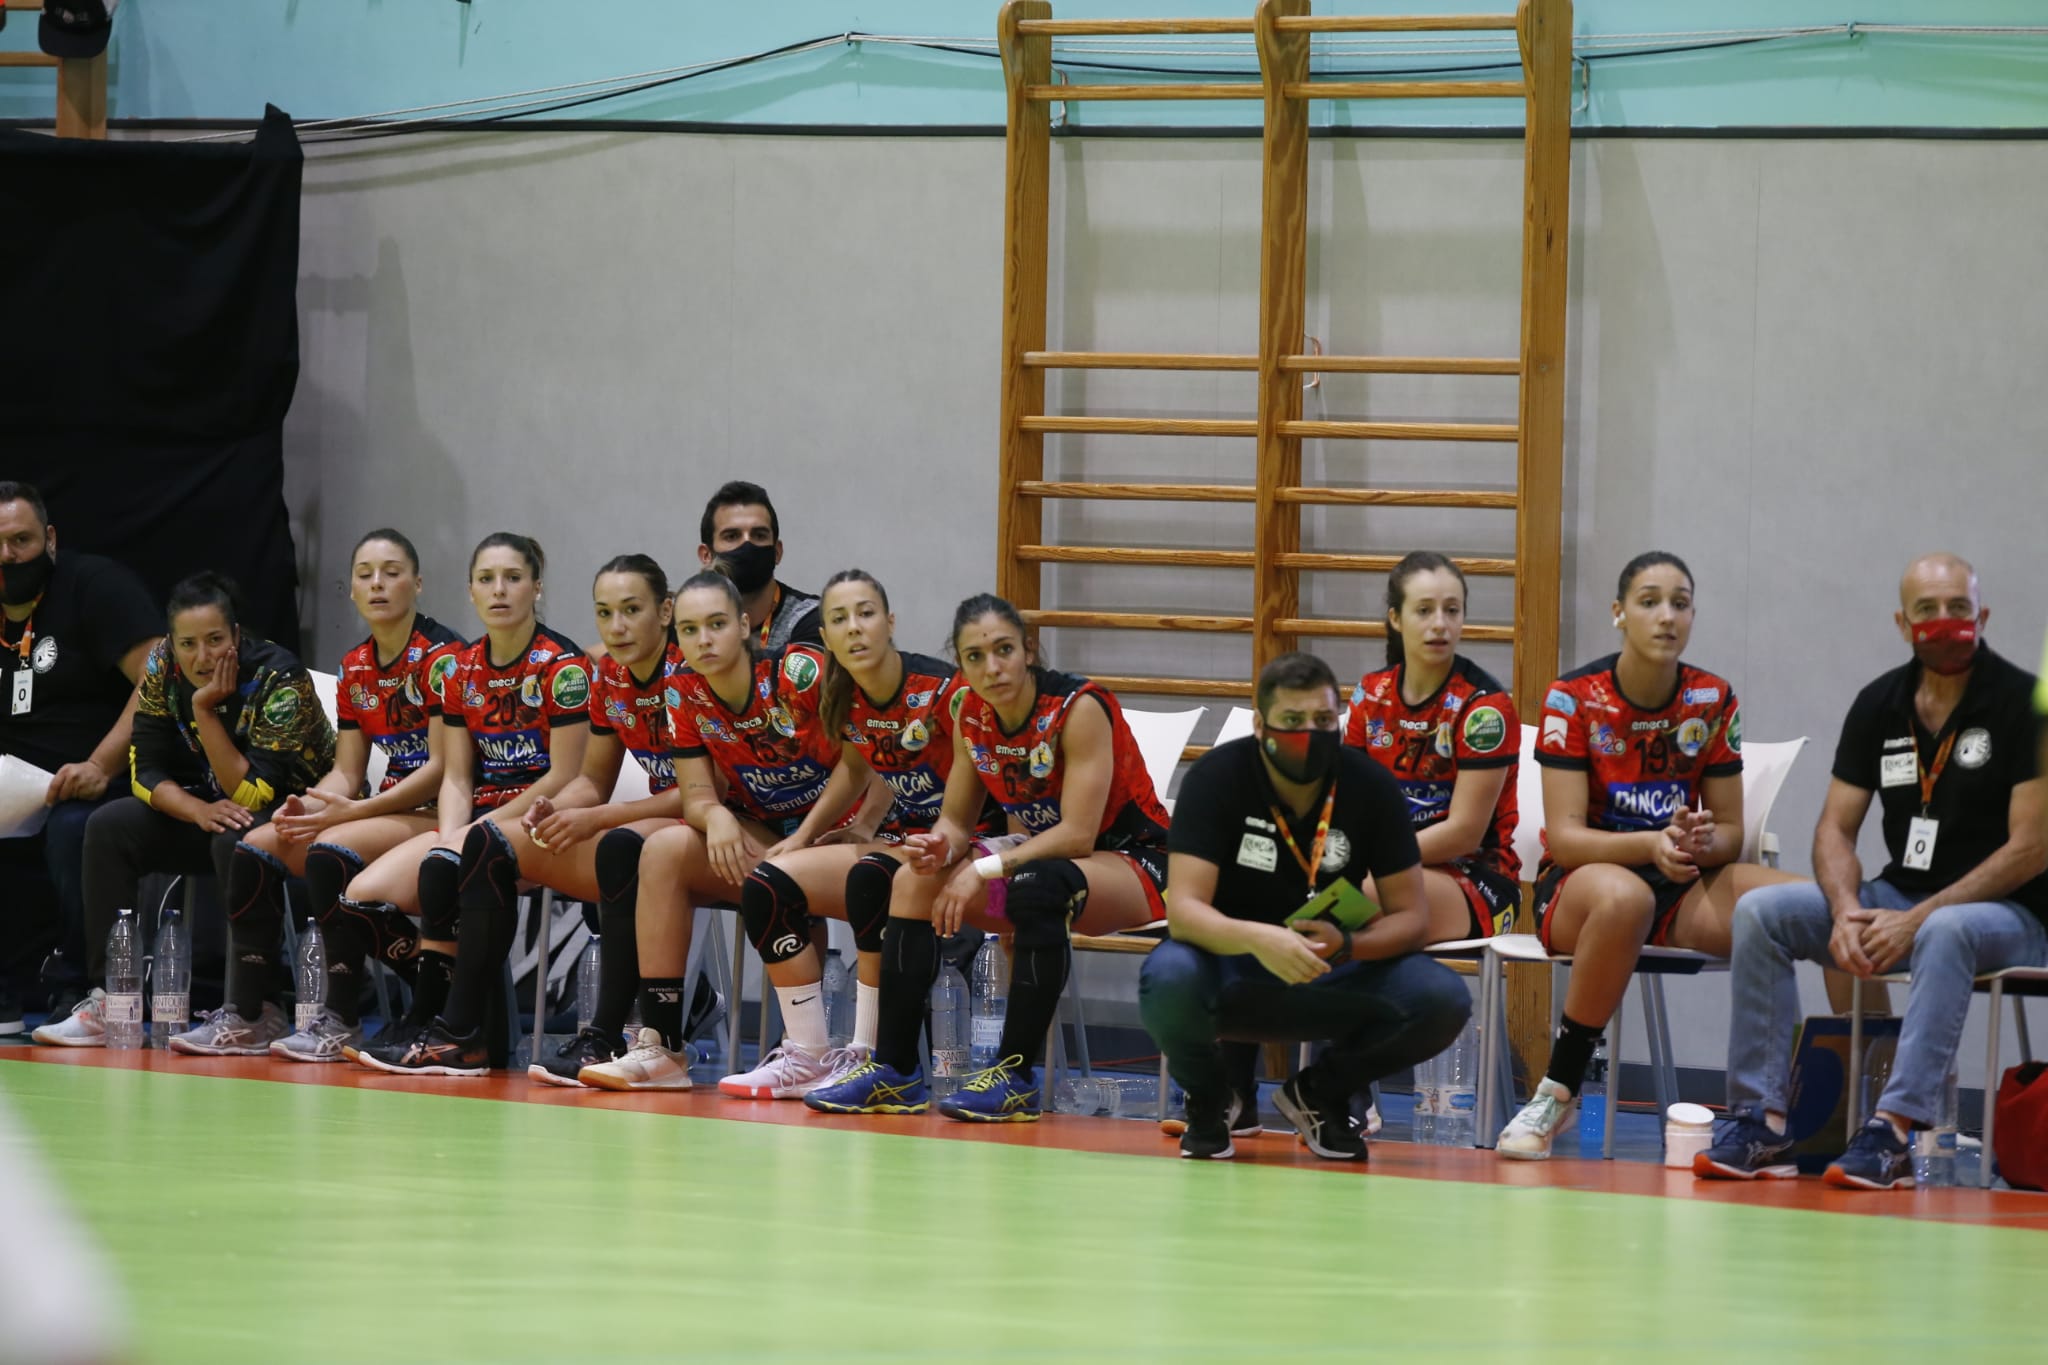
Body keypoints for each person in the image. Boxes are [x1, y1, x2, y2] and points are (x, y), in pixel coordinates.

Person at [1697, 553, 2046, 1189]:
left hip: (2014, 915)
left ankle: (1892, 1133)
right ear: (1902, 623)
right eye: (1927, 610)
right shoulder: (1879, 703)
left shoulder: (2024, 705)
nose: (1944, 621)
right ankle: (1761, 1123)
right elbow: (1834, 828)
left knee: (1947, 930)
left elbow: (2032, 847)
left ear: (1982, 616)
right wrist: (1846, 909)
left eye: (1959, 608)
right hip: (1899, 895)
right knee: (1763, 913)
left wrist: (1919, 918)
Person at [804, 593, 1171, 1122]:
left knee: (1036, 885)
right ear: (961, 663)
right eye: (975, 657)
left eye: (1004, 650)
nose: (992, 668)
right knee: (912, 880)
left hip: (1135, 861)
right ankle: (895, 1071)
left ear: (1028, 650)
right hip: (1041, 860)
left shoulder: (1078, 707)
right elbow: (956, 821)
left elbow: (1077, 835)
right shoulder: (970, 713)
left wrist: (982, 866)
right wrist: (941, 846)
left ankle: (1016, 1078)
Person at [1496, 551, 1797, 1160]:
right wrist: (1649, 844)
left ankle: (1837, 1112)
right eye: (1649, 601)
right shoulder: (1572, 698)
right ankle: (1558, 1091)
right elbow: (1567, 838)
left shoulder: (1711, 697)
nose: (1667, 617)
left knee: (1811, 905)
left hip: (1678, 884)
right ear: (1619, 613)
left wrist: (1698, 840)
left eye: (1680, 604)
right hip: (1582, 887)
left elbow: (1731, 831)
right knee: (1625, 896)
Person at [1139, 652, 1471, 1159]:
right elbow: (1184, 912)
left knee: (1442, 997)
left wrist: (1349, 944)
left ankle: (1322, 1094)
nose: (1308, 735)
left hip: (1329, 970)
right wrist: (1259, 938)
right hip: (1233, 970)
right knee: (1167, 976)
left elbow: (1411, 919)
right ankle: (1209, 1101)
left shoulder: (1370, 786)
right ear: (1260, 725)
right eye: (1292, 721)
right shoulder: (1216, 778)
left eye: (1321, 720)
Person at [572, 569, 869, 1092]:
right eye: (689, 630)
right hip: (769, 833)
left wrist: (812, 834)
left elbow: (866, 756)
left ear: (745, 625)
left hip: (847, 834)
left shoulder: (797, 673)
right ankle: (662, 1048)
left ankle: (817, 1054)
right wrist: (716, 816)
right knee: (663, 849)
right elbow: (696, 794)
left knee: (781, 877)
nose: (703, 640)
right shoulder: (683, 691)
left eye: (716, 624)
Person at [714, 568, 995, 1100]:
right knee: (770, 880)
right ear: (825, 636)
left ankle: (868, 1054)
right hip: (907, 844)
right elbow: (857, 765)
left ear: (890, 622)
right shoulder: (844, 693)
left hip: (973, 845)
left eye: (866, 614)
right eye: (839, 619)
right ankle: (808, 1056)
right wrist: (815, 833)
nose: (855, 628)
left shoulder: (945, 691)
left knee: (871, 878)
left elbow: (978, 782)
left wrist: (923, 840)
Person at [32, 572, 334, 1046]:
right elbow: (144, 772)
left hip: (292, 815)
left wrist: (205, 711)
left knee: (236, 839)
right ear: (172, 643)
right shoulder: (161, 666)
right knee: (109, 826)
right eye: (187, 644)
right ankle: (112, 1002)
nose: (202, 657)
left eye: (215, 640)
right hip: (214, 808)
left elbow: (253, 793)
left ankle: (256, 1009)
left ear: (237, 635)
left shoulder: (279, 677)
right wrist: (196, 810)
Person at [340, 533, 590, 1075]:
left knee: (453, 863)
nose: (499, 590)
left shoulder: (562, 666)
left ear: (536, 588)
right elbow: (456, 774)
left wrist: (470, 836)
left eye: (513, 578)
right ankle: (436, 1019)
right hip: (481, 818)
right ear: (470, 591)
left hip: (540, 820)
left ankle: (451, 1029)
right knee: (361, 897)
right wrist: (448, 835)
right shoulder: (460, 668)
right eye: (486, 580)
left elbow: (564, 776)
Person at [488, 555, 716, 1083]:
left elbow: (704, 793)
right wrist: (561, 806)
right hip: (667, 821)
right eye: (605, 613)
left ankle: (609, 1034)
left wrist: (599, 818)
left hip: (718, 819)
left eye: (631, 610)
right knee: (490, 845)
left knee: (619, 846)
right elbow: (592, 780)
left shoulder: (692, 673)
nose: (617, 626)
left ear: (665, 612)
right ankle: (466, 1034)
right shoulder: (610, 676)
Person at [0, 480, 160, 1032]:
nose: (8, 556)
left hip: (92, 778)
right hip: (11, 788)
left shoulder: (94, 586)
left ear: (49, 538)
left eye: (20, 540)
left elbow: (159, 678)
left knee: (76, 829)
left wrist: (100, 765)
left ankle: (83, 986)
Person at [1345, 550, 1522, 943]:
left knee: (1349, 903)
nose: (1440, 623)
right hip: (1385, 867)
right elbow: (1351, 806)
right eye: (1424, 611)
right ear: (1396, 618)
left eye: (1452, 610)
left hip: (1476, 878)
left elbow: (1464, 834)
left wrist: (1374, 860)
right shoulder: (1370, 694)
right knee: (1291, 895)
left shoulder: (1484, 709)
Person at [698, 480, 821, 650]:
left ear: (777, 552)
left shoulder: (811, 617)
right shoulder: (688, 621)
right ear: (706, 555)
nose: (747, 545)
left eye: (759, 535)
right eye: (732, 536)